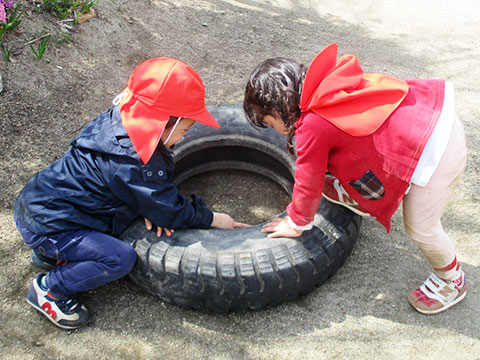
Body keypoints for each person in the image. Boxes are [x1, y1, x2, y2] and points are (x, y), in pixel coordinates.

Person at [14, 57, 249, 329]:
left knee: (91, 215)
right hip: (51, 226)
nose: (183, 137)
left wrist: (146, 204)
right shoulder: (136, 163)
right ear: (164, 123)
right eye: (184, 129)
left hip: (36, 205)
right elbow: (170, 210)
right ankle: (50, 288)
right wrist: (213, 219)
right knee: (119, 258)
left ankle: (48, 254)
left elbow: (127, 187)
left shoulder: (118, 119)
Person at [243, 43, 467, 315]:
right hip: (433, 114)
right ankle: (361, 198)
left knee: (421, 227)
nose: (275, 131)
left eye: (269, 123)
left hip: (437, 151)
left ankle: (452, 280)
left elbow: (309, 180)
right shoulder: (328, 86)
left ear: (277, 110)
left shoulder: (312, 126)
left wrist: (296, 222)